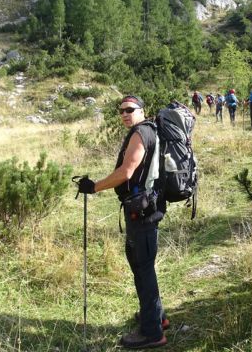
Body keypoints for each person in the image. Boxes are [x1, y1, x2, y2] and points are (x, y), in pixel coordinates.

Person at [76, 95, 168, 349]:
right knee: (142, 264)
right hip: (146, 207)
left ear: (142, 110)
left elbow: (126, 171)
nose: (125, 114)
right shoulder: (150, 130)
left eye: (130, 109)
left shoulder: (141, 133)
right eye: (121, 111)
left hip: (143, 211)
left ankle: (152, 332)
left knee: (143, 267)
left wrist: (94, 187)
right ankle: (157, 317)